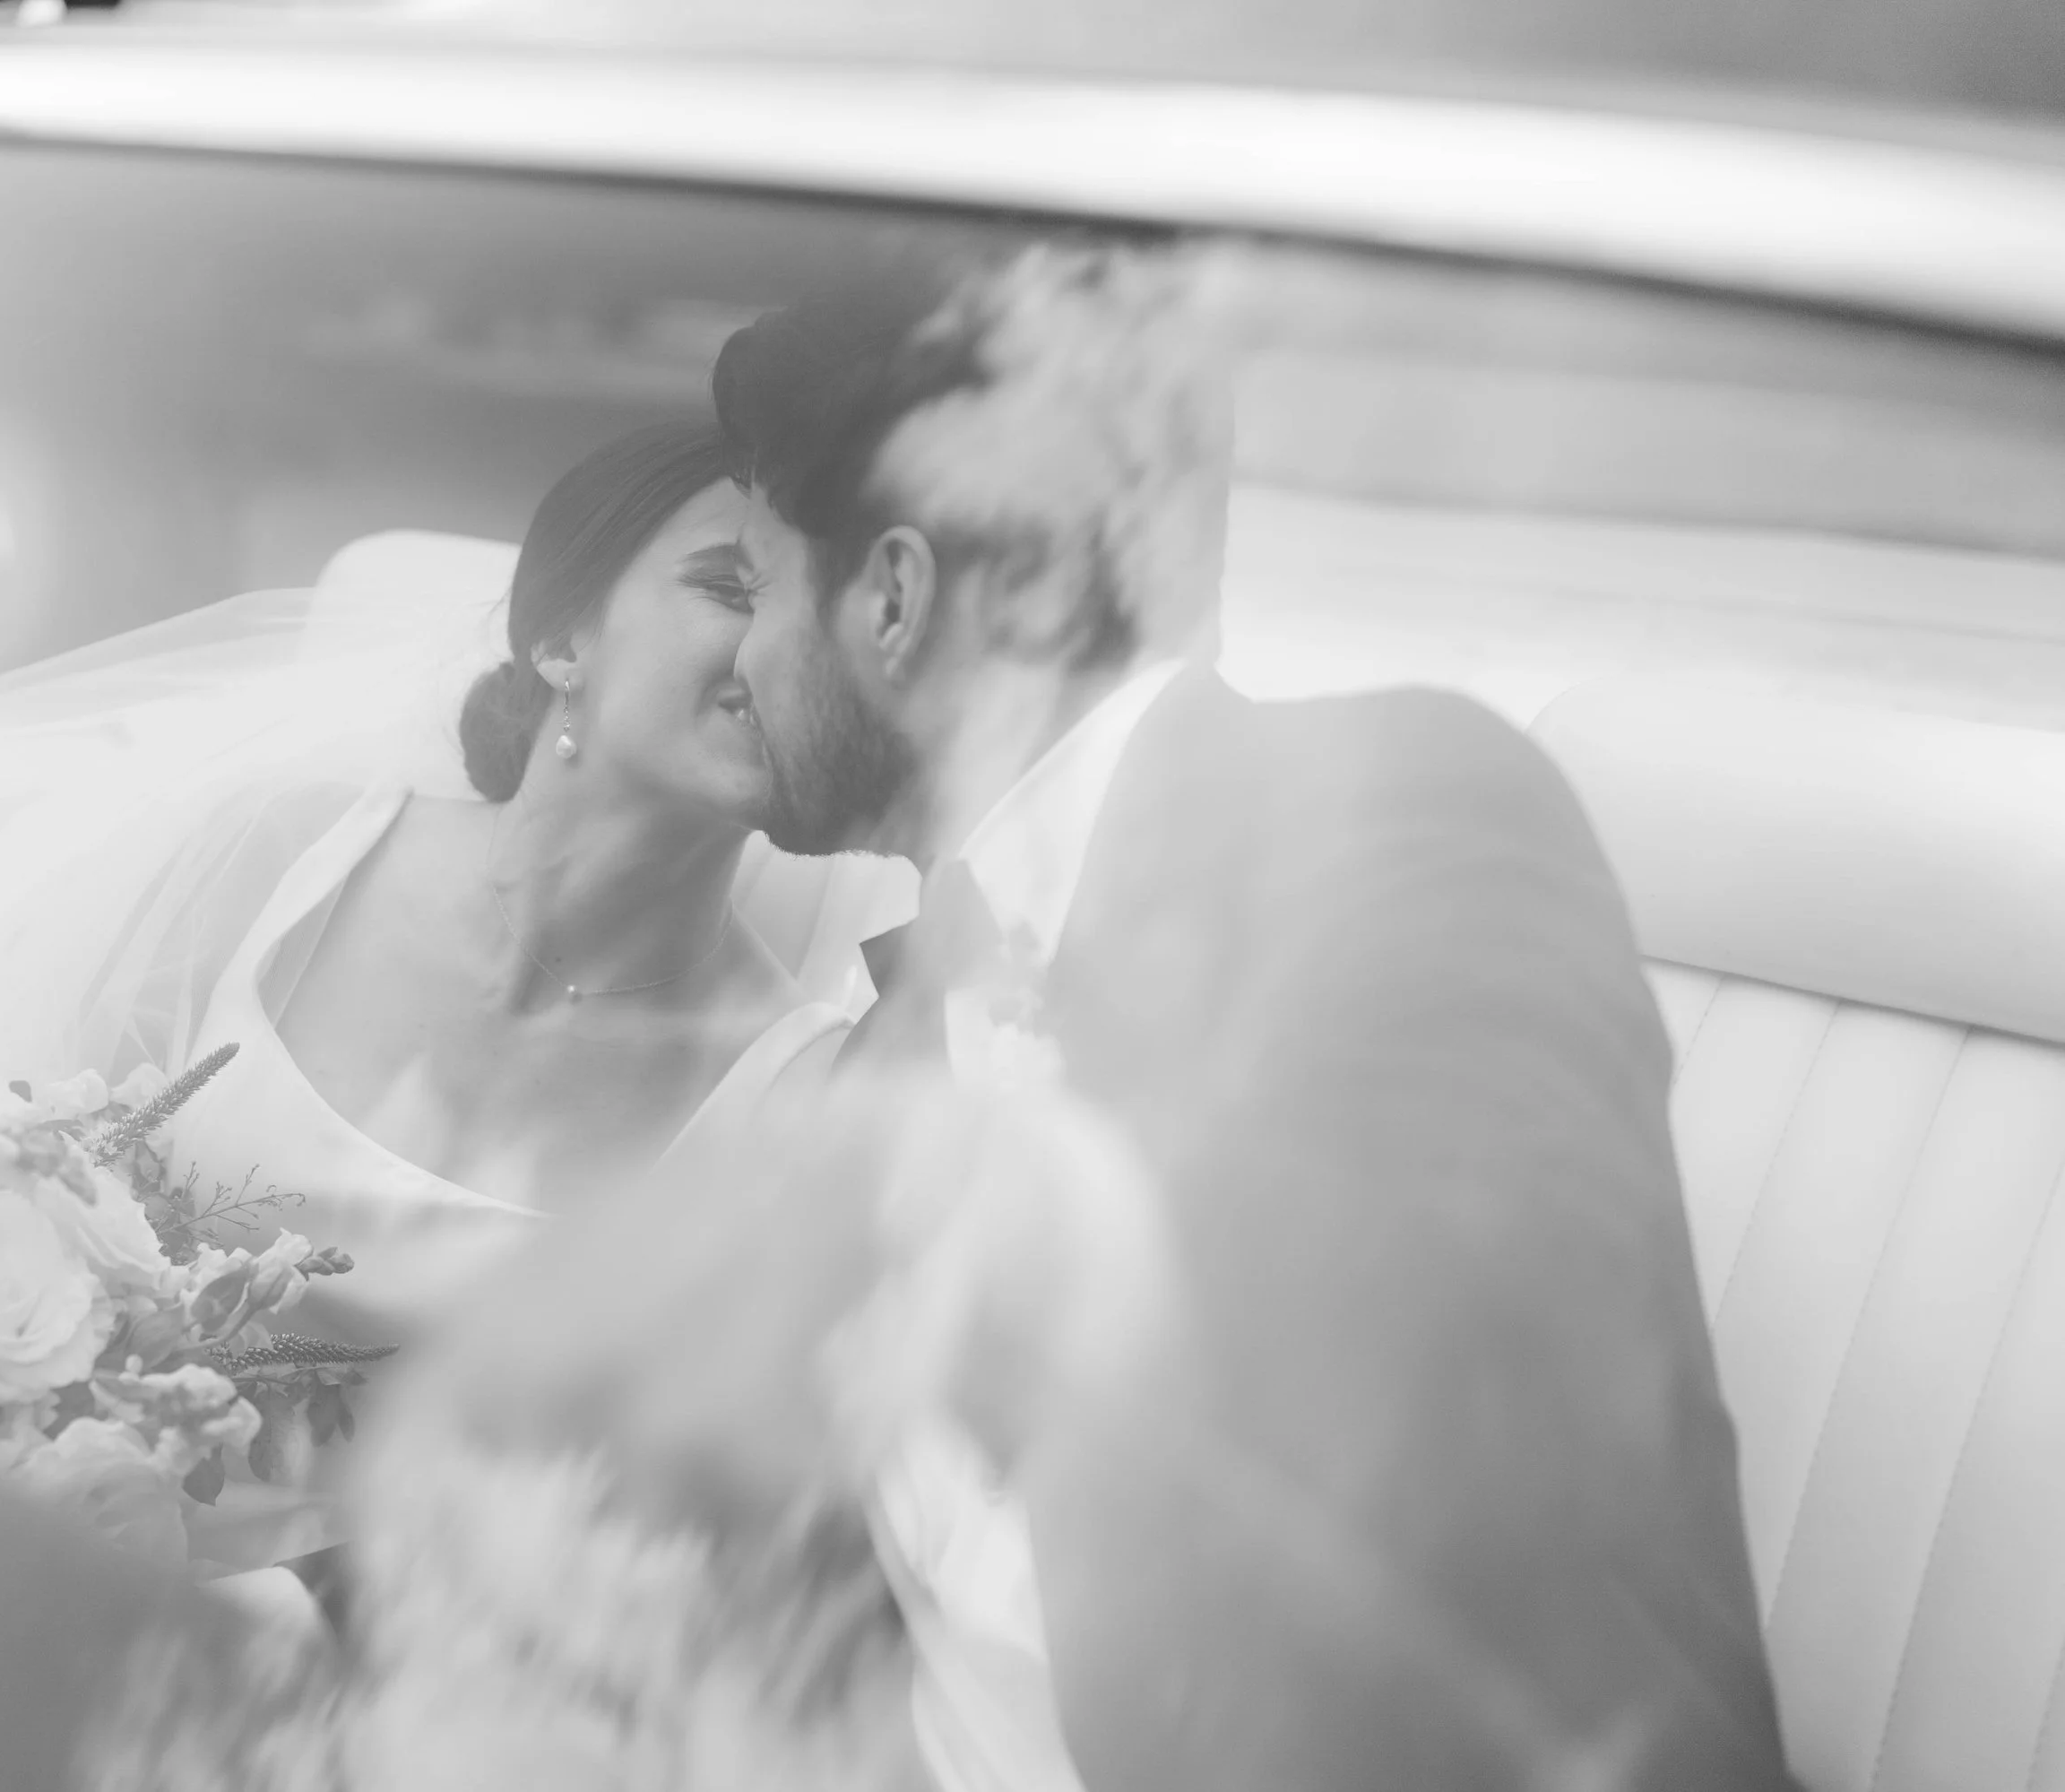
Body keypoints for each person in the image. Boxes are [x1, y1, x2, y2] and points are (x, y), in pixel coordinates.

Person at [435, 243, 1801, 1790]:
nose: (746, 659)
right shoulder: (895, 1026)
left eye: (758, 587)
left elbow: (1408, 1552)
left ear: (892, 599)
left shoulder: (1402, 829)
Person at [0, 421, 849, 1588]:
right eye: (729, 587)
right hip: (8, 1537)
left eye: (823, 625)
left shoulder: (793, 1094)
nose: (778, 651)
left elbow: (649, 1540)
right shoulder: (283, 846)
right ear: (564, 638)